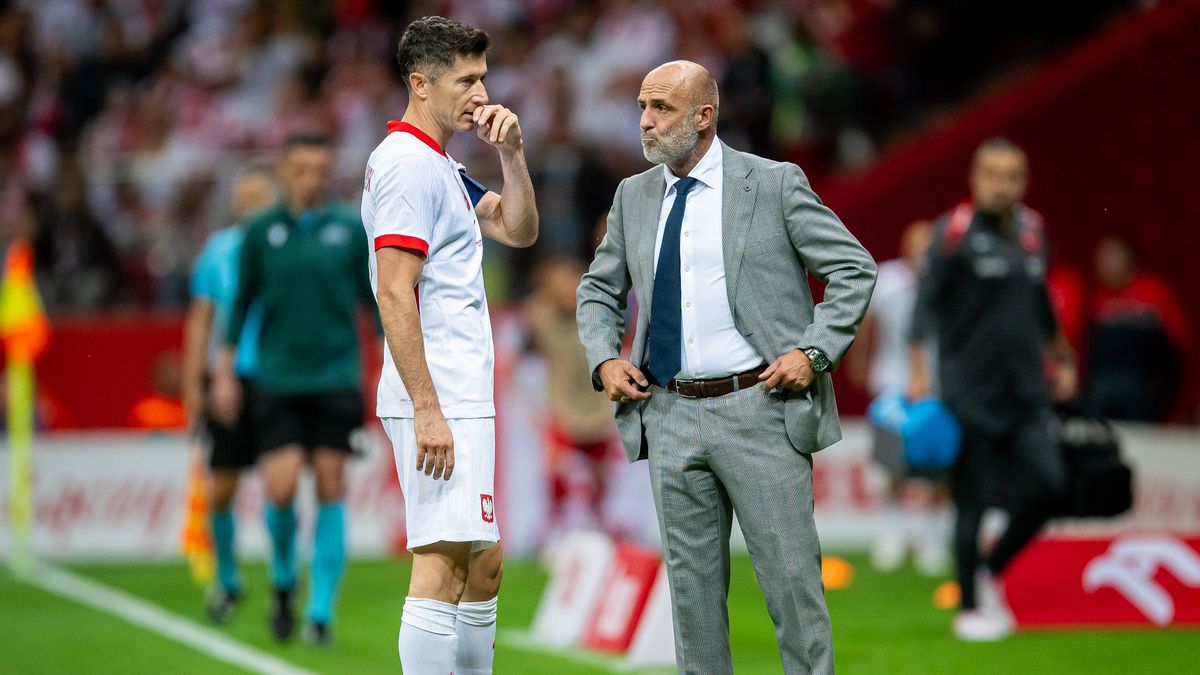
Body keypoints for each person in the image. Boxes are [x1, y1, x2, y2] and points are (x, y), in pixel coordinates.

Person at [577, 60, 876, 675]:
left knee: (793, 589)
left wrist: (814, 351)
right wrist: (604, 356)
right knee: (691, 602)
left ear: (704, 116)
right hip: (668, 412)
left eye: (661, 108)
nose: (646, 122)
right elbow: (597, 290)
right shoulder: (633, 196)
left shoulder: (772, 183)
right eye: (642, 107)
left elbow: (853, 268)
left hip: (760, 410)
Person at [362, 16, 537, 674]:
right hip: (440, 397)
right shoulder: (409, 167)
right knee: (439, 564)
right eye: (466, 80)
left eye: (483, 78)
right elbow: (393, 291)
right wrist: (428, 406)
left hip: (459, 393)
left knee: (482, 564)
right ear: (421, 83)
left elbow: (517, 228)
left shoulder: (438, 163)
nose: (480, 93)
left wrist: (513, 155)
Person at [212, 133, 381, 646]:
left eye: (320, 167)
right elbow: (239, 304)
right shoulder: (261, 232)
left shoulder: (349, 230)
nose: (313, 176)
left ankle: (321, 611)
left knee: (331, 484)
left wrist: (391, 361)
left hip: (335, 376)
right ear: (284, 172)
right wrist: (223, 371)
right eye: (302, 167)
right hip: (278, 378)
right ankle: (285, 578)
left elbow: (373, 302)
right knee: (280, 487)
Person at [908, 138, 1078, 642]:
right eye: (993, 174)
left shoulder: (1033, 232)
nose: (1002, 184)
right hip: (969, 395)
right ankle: (967, 608)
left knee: (1051, 486)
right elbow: (925, 306)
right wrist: (919, 373)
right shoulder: (955, 232)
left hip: (1027, 394)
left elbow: (1040, 300)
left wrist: (1063, 356)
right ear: (975, 179)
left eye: (1012, 175)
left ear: (1024, 182)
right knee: (972, 503)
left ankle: (989, 568)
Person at [181, 164, 277, 622]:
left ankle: (283, 579)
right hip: (228, 376)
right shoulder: (218, 251)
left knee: (282, 485)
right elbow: (200, 319)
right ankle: (228, 576)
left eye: (256, 195)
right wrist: (192, 387)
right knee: (222, 486)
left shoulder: (282, 245)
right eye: (241, 196)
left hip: (280, 377)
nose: (247, 204)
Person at [847, 220, 951, 576]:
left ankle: (932, 536)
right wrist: (859, 360)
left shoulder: (946, 282)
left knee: (938, 462)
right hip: (892, 381)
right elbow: (867, 323)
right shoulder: (887, 279)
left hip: (938, 383)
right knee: (892, 460)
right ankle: (891, 532)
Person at [527, 255, 620, 536]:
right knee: (556, 474)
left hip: (597, 410)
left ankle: (599, 524)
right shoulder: (542, 319)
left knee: (601, 477)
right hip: (564, 411)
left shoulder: (594, 317)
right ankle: (554, 528)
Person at [1085, 235, 1191, 422]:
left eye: (1110, 255)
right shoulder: (1097, 299)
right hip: (1101, 385)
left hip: (1140, 384)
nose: (1102, 263)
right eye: (1099, 258)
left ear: (1128, 258)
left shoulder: (1154, 291)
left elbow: (1178, 341)